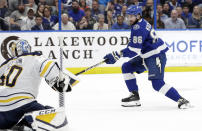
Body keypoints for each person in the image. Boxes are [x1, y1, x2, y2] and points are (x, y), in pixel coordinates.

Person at [103, 5, 191, 109]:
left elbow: (133, 51)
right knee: (126, 67)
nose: (129, 18)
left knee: (157, 84)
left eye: (132, 16)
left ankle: (181, 100)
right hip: (147, 55)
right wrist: (118, 55)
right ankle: (134, 97)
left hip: (156, 55)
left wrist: (116, 55)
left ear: (139, 16)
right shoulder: (139, 23)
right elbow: (133, 47)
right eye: (129, 16)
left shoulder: (138, 28)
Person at [0, 39, 79, 130]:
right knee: (56, 118)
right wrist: (60, 80)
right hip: (22, 105)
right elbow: (49, 66)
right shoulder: (35, 57)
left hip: (1, 112)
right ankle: (25, 128)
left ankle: (19, 126)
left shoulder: (6, 64)